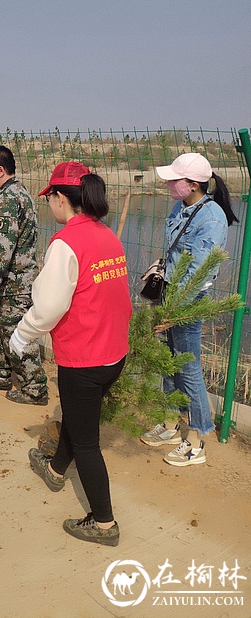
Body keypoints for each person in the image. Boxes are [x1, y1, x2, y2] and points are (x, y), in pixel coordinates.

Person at [10, 161, 132, 546]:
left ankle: (104, 524)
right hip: (114, 353)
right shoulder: (107, 236)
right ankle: (56, 470)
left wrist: (21, 335)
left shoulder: (66, 243)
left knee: (87, 443)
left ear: (62, 198)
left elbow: (48, 309)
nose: (50, 205)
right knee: (80, 421)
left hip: (84, 357)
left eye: (51, 198)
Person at [140, 152, 238, 467]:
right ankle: (171, 423)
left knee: (189, 366)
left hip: (188, 299)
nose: (169, 183)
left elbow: (199, 272)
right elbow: (175, 253)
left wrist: (175, 311)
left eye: (174, 179)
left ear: (193, 184)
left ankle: (196, 439)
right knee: (169, 362)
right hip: (171, 291)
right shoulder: (181, 206)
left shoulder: (211, 218)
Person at [0, 145, 48, 405]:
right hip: (9, 281)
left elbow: (4, 244)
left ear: (0, 170)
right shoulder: (17, 192)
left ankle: (35, 388)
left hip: (13, 282)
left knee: (16, 332)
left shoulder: (8, 198)